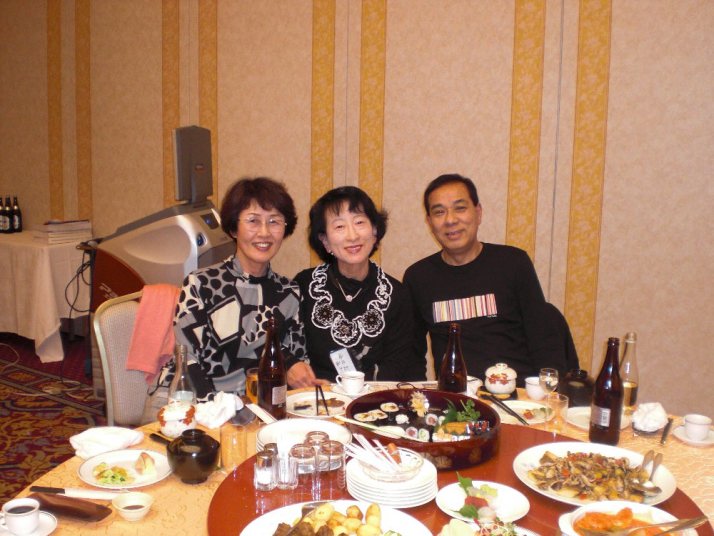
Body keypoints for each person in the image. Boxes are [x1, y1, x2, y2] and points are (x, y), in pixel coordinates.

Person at [150, 177, 318, 407]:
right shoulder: (201, 284)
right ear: (233, 228)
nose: (264, 232)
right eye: (253, 221)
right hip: (194, 405)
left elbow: (294, 360)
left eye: (274, 221)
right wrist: (226, 410)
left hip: (261, 407)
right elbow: (187, 361)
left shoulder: (289, 293)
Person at [403, 173, 570, 384]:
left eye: (460, 208)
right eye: (439, 212)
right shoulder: (418, 277)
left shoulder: (513, 263)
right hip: (455, 397)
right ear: (429, 222)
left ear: (478, 213)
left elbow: (544, 339)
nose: (450, 220)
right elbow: (411, 355)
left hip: (516, 394)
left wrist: (546, 393)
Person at [295, 186, 424, 382]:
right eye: (339, 226)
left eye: (359, 222)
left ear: (374, 231)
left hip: (374, 397)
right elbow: (290, 349)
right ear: (325, 241)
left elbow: (397, 364)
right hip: (317, 396)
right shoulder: (305, 285)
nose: (352, 236)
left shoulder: (396, 294)